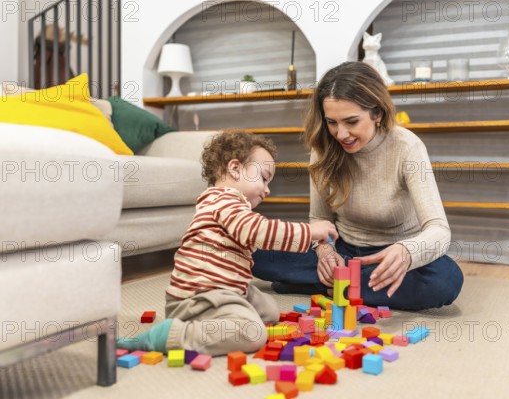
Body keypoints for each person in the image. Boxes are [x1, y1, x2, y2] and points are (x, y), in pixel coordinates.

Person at [252, 61, 464, 310]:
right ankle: (351, 285)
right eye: (332, 122)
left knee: (445, 280)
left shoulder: (408, 147)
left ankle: (329, 286)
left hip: (390, 255)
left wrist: (407, 252)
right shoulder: (322, 148)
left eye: (351, 122)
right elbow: (319, 218)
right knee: (254, 254)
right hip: (341, 251)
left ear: (378, 113)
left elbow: (439, 230)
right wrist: (325, 251)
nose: (341, 134)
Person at [117, 131, 337, 355]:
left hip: (224, 289)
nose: (267, 189)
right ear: (235, 168)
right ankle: (171, 335)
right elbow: (259, 231)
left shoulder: (225, 202)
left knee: (269, 309)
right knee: (253, 334)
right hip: (198, 299)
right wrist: (309, 231)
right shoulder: (224, 201)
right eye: (263, 178)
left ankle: (229, 317)